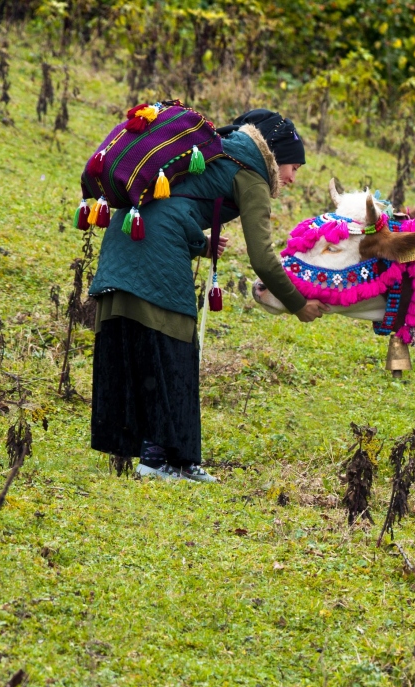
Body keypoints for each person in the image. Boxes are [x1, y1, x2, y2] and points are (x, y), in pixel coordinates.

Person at [88, 109, 327, 482]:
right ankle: (159, 459)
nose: (293, 178)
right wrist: (298, 304)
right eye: (294, 166)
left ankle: (172, 460)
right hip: (152, 249)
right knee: (173, 349)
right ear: (275, 155)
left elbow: (174, 204)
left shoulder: (220, 152)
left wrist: (200, 244)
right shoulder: (252, 174)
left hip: (121, 240)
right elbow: (263, 259)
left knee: (146, 348)